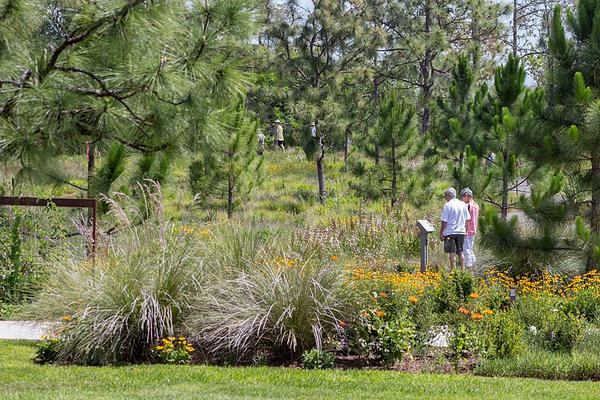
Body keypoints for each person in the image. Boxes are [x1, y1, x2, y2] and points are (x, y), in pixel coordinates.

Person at [440, 187, 470, 270]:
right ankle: (463, 272)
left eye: (446, 196)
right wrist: (466, 231)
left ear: (449, 195)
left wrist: (441, 233)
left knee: (452, 253)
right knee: (460, 252)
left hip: (450, 232)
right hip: (461, 232)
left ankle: (453, 273)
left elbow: (444, 221)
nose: (445, 198)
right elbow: (467, 220)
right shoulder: (462, 204)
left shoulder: (447, 205)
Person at [461, 187, 479, 268]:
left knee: (466, 250)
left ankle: (469, 267)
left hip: (467, 230)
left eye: (463, 196)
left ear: (467, 196)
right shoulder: (476, 205)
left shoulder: (468, 206)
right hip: (473, 230)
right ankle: (474, 265)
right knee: (470, 250)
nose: (462, 198)